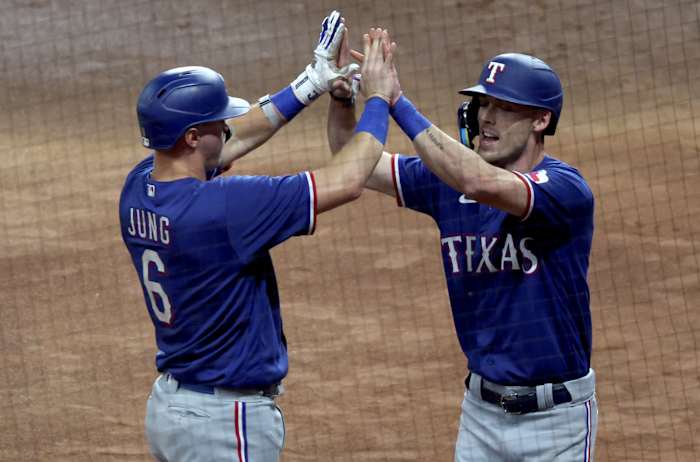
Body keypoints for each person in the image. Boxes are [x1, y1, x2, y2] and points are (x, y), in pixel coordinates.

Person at [119, 9, 397, 460]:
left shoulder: (138, 186)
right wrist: (380, 101)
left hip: (171, 409)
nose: (227, 127)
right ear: (192, 137)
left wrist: (314, 81)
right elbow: (346, 181)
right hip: (224, 423)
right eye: (216, 123)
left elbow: (237, 137)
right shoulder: (228, 207)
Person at [329, 52, 598, 460]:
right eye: (484, 104)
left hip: (555, 422)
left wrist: (395, 100)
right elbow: (353, 159)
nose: (488, 117)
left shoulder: (563, 189)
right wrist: (343, 98)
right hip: (480, 416)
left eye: (505, 108)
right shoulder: (446, 182)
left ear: (541, 121)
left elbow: (479, 181)